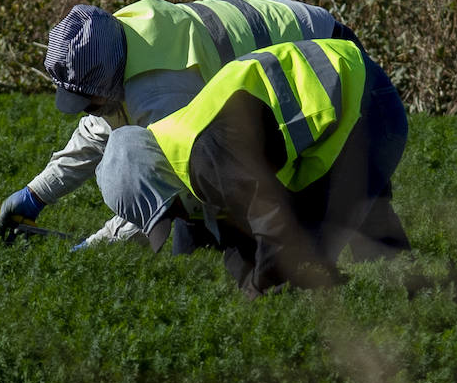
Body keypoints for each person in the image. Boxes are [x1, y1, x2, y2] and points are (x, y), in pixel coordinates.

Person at [0, 0, 362, 247]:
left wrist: (97, 245)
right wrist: (35, 195)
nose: (87, 109)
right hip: (297, 41)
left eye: (89, 99)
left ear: (109, 81)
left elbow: (164, 189)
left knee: (290, 217)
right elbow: (98, 130)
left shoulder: (161, 92)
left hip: (326, 53)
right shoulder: (113, 42)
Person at [94, 37, 410, 299]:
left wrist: (258, 290)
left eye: (168, 211)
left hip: (367, 104)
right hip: (350, 99)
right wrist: (248, 281)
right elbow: (235, 230)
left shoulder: (204, 153)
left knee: (307, 266)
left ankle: (418, 303)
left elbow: (275, 226)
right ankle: (413, 288)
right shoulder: (175, 150)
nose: (176, 217)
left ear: (160, 178)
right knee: (361, 254)